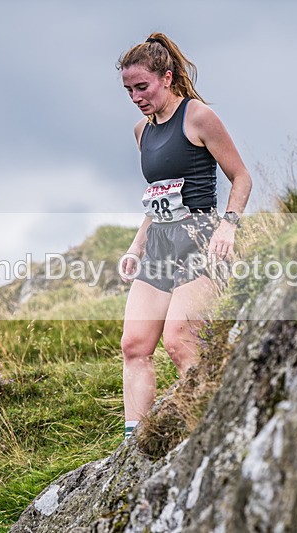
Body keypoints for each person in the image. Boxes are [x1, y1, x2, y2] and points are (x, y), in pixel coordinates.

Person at [117, 33, 252, 440]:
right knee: (135, 345)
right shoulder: (142, 131)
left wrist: (229, 225)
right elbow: (156, 197)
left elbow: (241, 177)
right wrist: (136, 246)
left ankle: (205, 430)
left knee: (179, 338)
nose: (136, 96)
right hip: (159, 243)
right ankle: (133, 443)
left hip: (200, 237)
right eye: (128, 90)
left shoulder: (198, 117)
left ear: (167, 77)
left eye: (142, 86)